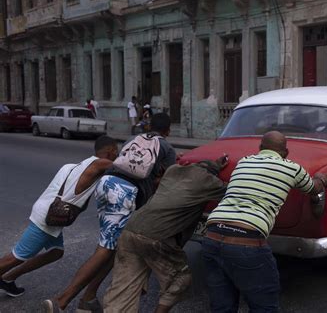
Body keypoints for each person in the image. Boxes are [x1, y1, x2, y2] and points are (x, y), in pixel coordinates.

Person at [43, 113, 177, 313]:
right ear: (168, 130)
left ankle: (88, 299)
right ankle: (61, 301)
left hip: (106, 184)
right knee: (105, 249)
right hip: (124, 193)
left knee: (112, 248)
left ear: (149, 126)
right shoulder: (166, 147)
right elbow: (167, 181)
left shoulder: (134, 139)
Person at [202, 131, 327, 312]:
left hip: (211, 237)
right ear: (286, 153)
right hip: (247, 241)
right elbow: (313, 188)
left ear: (260, 149)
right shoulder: (292, 168)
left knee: (222, 307)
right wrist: (319, 178)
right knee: (264, 307)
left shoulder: (244, 161)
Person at [103, 156, 229, 313]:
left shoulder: (173, 171)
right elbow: (232, 191)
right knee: (180, 279)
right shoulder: (210, 183)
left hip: (131, 230)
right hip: (157, 237)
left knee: (124, 286)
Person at [0, 136, 118, 298]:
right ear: (111, 151)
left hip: (48, 213)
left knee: (56, 252)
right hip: (47, 219)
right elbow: (126, 167)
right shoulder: (100, 163)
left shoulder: (73, 166)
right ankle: (6, 274)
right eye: (116, 152)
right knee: (16, 257)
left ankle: (8, 278)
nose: (117, 155)